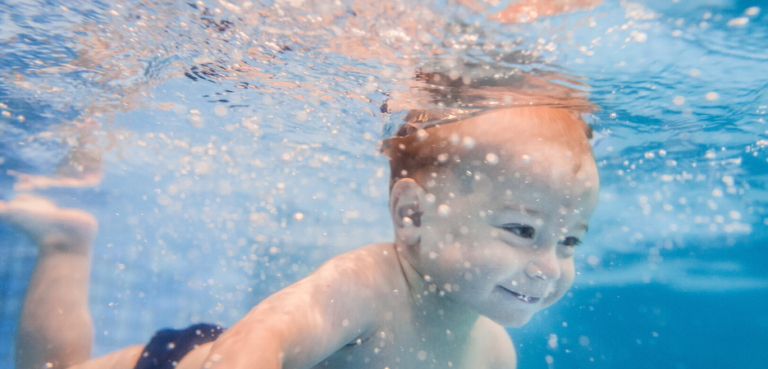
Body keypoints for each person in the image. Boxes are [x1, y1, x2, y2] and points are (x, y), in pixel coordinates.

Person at [2, 104, 599, 369]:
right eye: (523, 231)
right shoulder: (366, 286)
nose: (550, 266)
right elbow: (256, 343)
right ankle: (65, 243)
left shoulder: (494, 354)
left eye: (569, 241)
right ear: (412, 216)